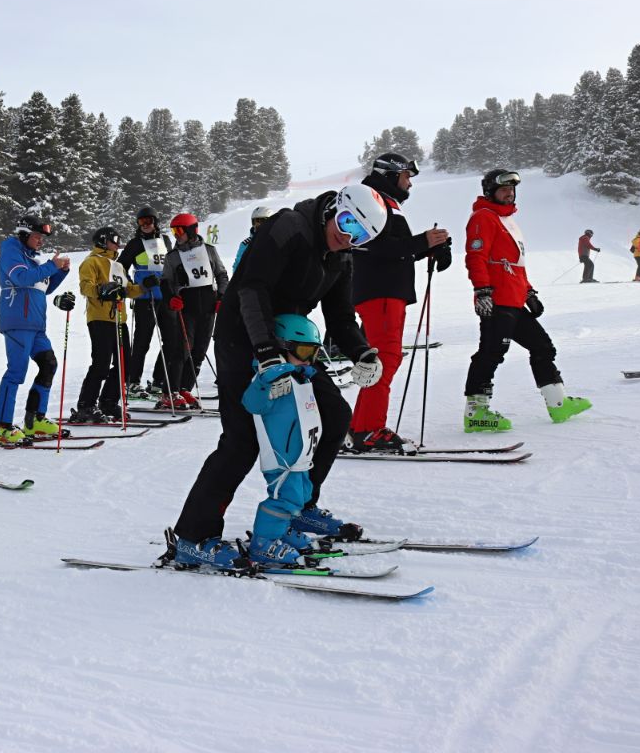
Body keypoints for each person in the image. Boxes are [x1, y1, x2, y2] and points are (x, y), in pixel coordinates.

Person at [170, 185, 388, 568]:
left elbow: (339, 315)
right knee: (240, 442)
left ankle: (298, 507)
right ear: (335, 208)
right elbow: (251, 289)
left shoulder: (341, 254)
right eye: (348, 222)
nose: (348, 236)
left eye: (362, 235)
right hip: (242, 338)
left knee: (334, 415)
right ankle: (193, 535)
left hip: (291, 344)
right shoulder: (289, 227)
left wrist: (363, 351)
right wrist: (265, 351)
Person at [462, 169, 591, 432]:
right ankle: (476, 412)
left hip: (514, 299)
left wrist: (528, 292)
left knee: (542, 347)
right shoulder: (483, 217)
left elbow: (516, 265)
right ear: (490, 191)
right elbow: (475, 257)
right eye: (503, 190)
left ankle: (558, 404)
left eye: (512, 190)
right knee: (491, 353)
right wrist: (482, 291)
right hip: (497, 300)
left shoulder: (506, 220)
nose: (509, 194)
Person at [348, 153, 452, 453]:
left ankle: (361, 426)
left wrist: (429, 248)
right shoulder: (372, 199)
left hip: (386, 291)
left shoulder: (386, 203)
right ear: (391, 175)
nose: (410, 184)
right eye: (407, 177)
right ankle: (368, 429)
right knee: (386, 358)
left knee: (384, 358)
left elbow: (393, 250)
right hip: (379, 292)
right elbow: (369, 246)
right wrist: (422, 242)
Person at [243, 314, 341, 566]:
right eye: (304, 351)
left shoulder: (302, 377)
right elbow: (252, 403)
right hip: (281, 459)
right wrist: (265, 380)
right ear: (282, 347)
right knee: (285, 498)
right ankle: (263, 543)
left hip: (301, 456)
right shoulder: (270, 379)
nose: (309, 359)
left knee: (302, 494)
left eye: (314, 353)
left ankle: (281, 531)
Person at [0, 215, 71, 444]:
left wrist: (60, 272)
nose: (40, 241)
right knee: (16, 371)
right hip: (17, 322)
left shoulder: (33, 259)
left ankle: (35, 419)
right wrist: (50, 266)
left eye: (42, 238)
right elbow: (21, 278)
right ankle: (1, 426)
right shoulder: (11, 251)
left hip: (36, 326)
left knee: (49, 364)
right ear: (25, 234)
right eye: (37, 237)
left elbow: (42, 288)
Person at [72, 226, 148, 423]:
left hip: (119, 319)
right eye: (114, 239)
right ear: (103, 240)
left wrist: (144, 287)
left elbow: (126, 289)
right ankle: (86, 405)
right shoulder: (92, 261)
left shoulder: (118, 266)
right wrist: (102, 289)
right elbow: (85, 286)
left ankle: (108, 401)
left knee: (125, 364)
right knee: (101, 363)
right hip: (100, 318)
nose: (118, 244)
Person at [159, 213, 229, 410]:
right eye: (173, 231)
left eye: (179, 230)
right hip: (186, 307)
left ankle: (184, 388)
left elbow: (222, 275)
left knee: (199, 351)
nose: (176, 235)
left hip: (208, 306)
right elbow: (165, 282)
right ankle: (169, 392)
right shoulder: (173, 257)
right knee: (182, 351)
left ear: (191, 230)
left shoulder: (209, 250)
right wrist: (171, 298)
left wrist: (222, 297)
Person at [117, 206, 174, 401]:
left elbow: (172, 263)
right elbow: (119, 269)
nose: (146, 225)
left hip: (165, 297)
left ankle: (158, 381)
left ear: (156, 222)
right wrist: (135, 285)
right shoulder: (134, 243)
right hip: (145, 298)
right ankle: (133, 382)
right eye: (142, 222)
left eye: (149, 221)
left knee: (171, 341)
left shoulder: (165, 240)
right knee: (142, 342)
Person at [233, 206, 275, 270]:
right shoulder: (246, 245)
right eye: (254, 221)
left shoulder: (278, 242)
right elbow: (238, 267)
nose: (257, 224)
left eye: (262, 220)